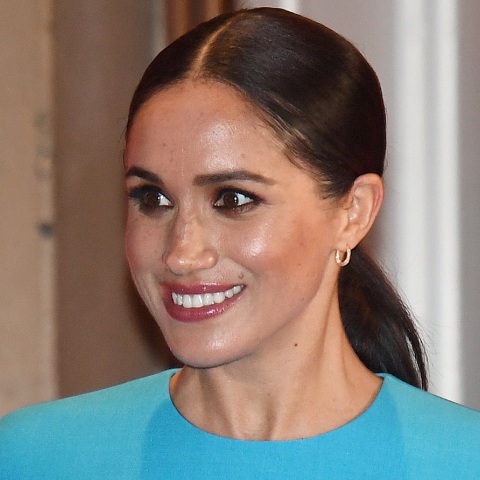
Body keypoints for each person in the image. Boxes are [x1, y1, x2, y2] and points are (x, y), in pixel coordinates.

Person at [1, 7, 479, 479]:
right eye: (153, 198)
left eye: (232, 199)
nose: (181, 254)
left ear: (352, 212)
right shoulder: (37, 459)